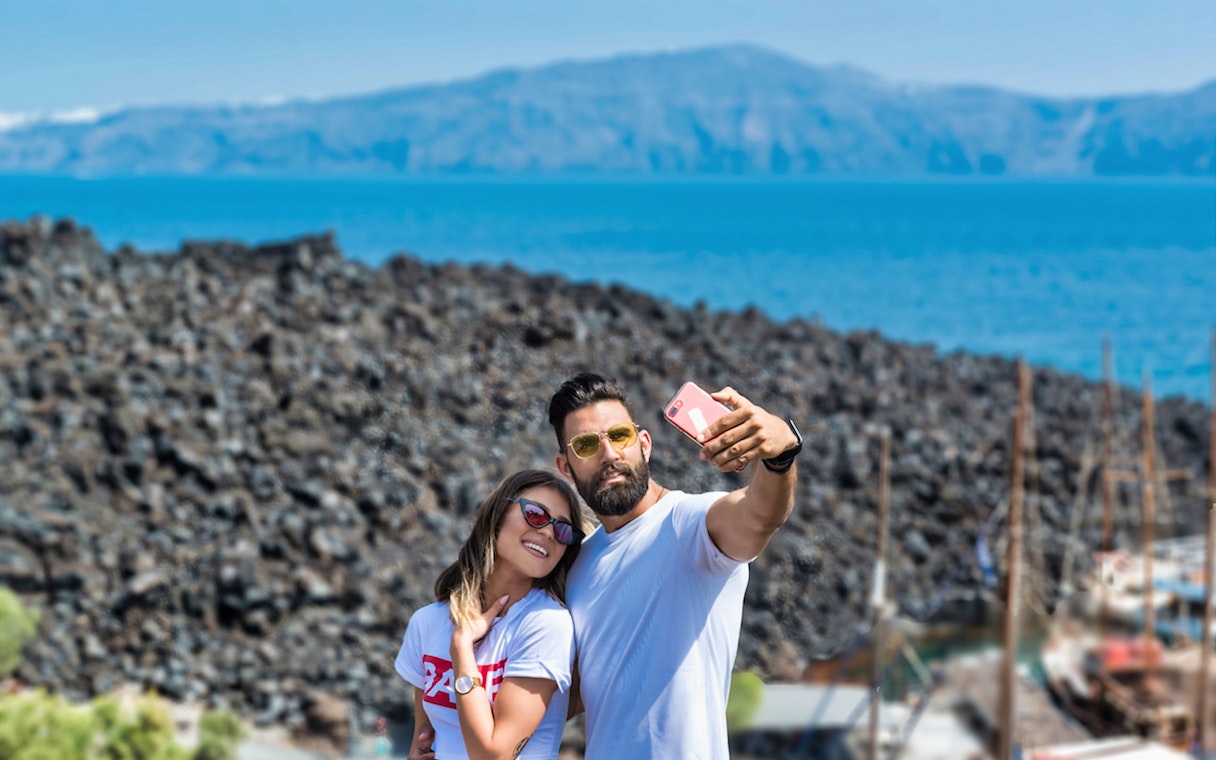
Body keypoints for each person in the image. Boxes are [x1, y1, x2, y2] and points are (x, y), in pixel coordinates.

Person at [548, 372, 801, 759]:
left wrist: (779, 455)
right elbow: (571, 691)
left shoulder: (690, 524)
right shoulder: (579, 565)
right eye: (586, 445)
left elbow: (759, 515)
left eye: (619, 436)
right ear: (566, 467)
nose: (609, 454)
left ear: (643, 444)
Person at [394, 469, 589, 760]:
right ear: (497, 516)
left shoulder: (546, 624)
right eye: (536, 514)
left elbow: (494, 756)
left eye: (563, 530)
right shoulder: (427, 622)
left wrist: (462, 649)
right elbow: (425, 741)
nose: (549, 532)